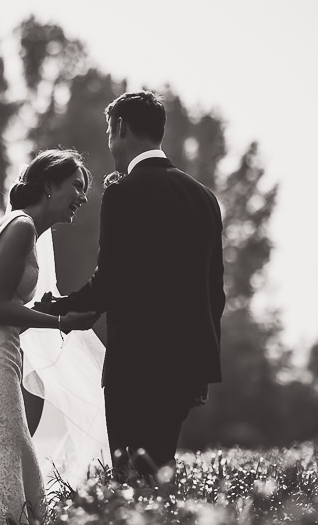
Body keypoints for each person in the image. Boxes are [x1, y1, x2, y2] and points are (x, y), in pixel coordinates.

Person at [35, 91, 226, 479]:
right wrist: (203, 369)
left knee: (130, 475)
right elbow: (214, 292)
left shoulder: (125, 192)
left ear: (120, 128)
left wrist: (57, 307)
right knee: (160, 471)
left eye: (110, 132)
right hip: (184, 368)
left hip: (135, 367)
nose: (110, 144)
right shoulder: (205, 199)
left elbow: (110, 280)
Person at [0, 150, 99, 525]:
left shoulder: (22, 227)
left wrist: (47, 311)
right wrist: (62, 322)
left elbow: (5, 308)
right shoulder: (21, 228)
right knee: (0, 448)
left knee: (9, 446)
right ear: (49, 186)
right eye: (75, 187)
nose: (81, 197)